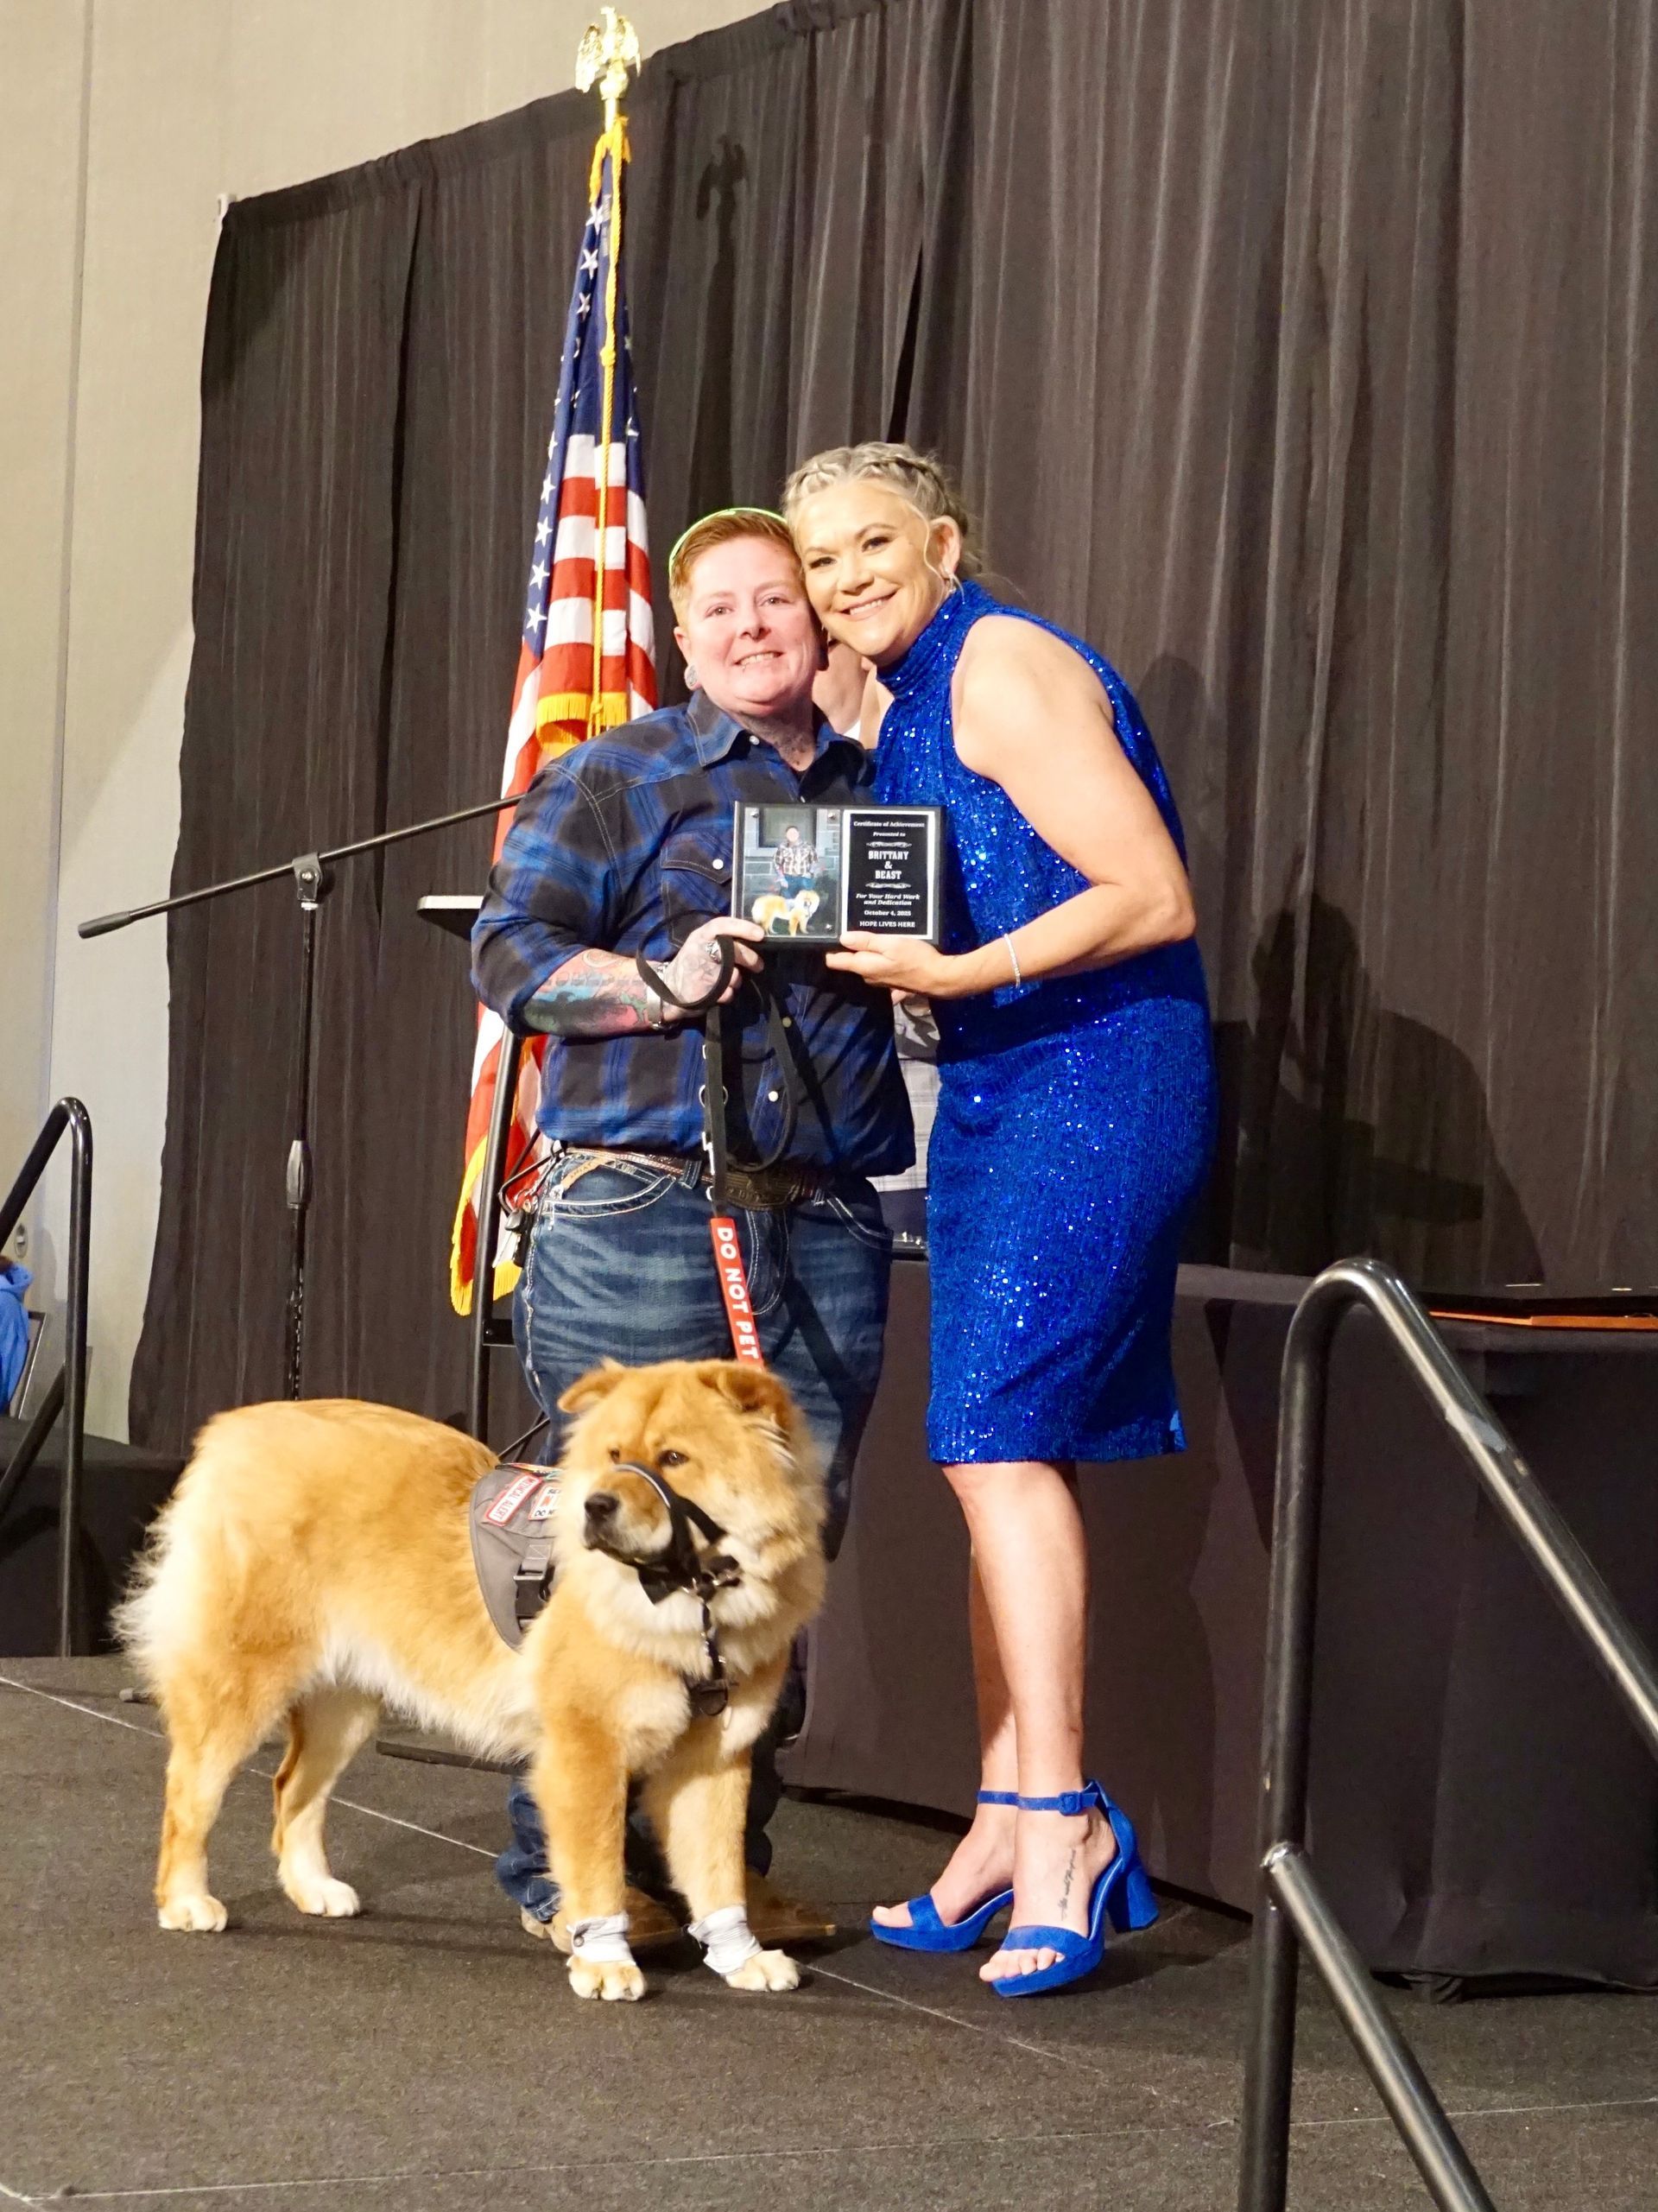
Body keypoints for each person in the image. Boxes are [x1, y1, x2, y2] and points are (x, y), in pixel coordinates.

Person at [784, 441, 1216, 1997]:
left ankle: (1064, 1828)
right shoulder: (906, 697)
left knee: (992, 1444)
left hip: (1093, 1086)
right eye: (821, 558)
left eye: (872, 544)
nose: (845, 578)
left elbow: (1151, 894)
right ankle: (1004, 1812)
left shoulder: (1004, 665)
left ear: (945, 545)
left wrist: (960, 974)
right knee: (993, 1452)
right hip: (992, 1089)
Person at [471, 507, 912, 1947]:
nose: (750, 627)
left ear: (816, 618)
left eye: (774, 600)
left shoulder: (891, 785)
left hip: (825, 1219)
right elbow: (509, 953)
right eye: (718, 608)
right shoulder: (620, 773)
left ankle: (723, 1872)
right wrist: (659, 981)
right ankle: (572, 1878)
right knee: (615, 1560)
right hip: (636, 1207)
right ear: (682, 638)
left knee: (774, 1555)